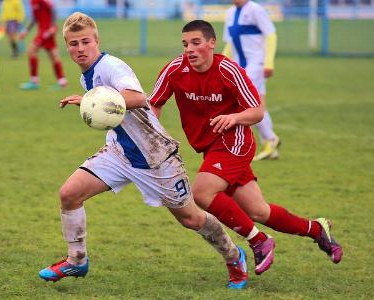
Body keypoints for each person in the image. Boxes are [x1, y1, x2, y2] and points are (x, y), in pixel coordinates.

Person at [38, 12, 249, 290]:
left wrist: (94, 99)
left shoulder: (112, 66)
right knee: (69, 194)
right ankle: (76, 259)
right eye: (73, 44)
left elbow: (138, 98)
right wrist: (92, 101)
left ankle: (234, 256)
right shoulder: (86, 76)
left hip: (156, 158)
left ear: (96, 40)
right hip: (119, 153)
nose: (79, 49)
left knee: (191, 218)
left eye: (85, 42)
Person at [149, 20, 343, 268]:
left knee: (201, 192)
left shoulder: (228, 70)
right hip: (210, 147)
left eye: (196, 43)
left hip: (234, 142)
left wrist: (233, 117)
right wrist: (152, 135)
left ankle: (259, 241)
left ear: (211, 43)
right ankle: (317, 229)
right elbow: (154, 103)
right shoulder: (175, 69)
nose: (190, 49)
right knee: (258, 212)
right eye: (186, 44)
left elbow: (257, 111)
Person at [222, 0, 279, 161]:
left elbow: (271, 35)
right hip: (240, 67)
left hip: (256, 65)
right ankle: (270, 142)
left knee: (247, 103)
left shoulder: (256, 10)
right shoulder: (230, 13)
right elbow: (230, 43)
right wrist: (223, 63)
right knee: (256, 104)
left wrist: (268, 62)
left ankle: (269, 140)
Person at [18, 0, 67, 90]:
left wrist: (52, 26)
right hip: (43, 31)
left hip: (47, 31)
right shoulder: (32, 2)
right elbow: (34, 19)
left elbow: (53, 9)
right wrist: (25, 31)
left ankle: (34, 81)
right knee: (53, 55)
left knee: (31, 50)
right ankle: (62, 82)